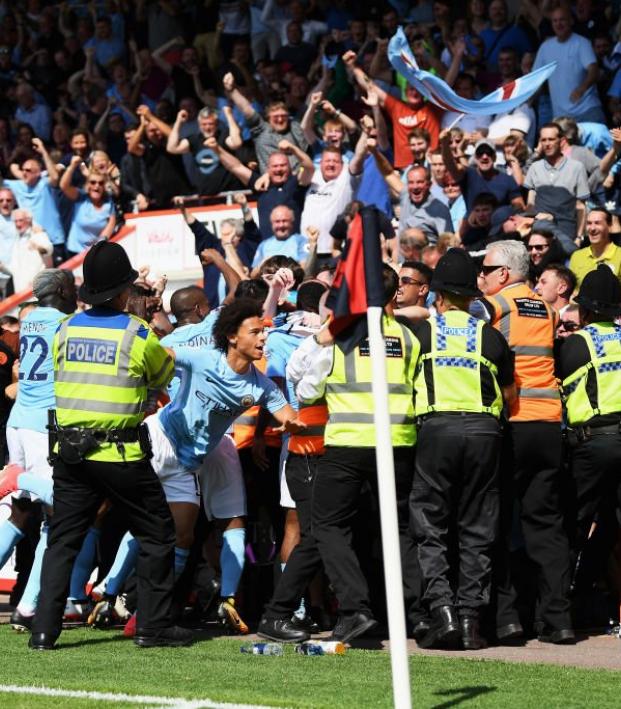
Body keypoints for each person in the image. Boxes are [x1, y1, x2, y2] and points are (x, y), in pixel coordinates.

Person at [28, 241, 192, 650]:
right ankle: (153, 629)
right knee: (156, 535)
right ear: (123, 292)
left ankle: (44, 631)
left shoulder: (65, 330)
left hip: (70, 454)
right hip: (120, 454)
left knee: (62, 541)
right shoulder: (137, 334)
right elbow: (162, 373)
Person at [291, 264, 422, 643]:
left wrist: (320, 341)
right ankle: (419, 610)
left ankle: (356, 609)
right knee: (398, 531)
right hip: (398, 443)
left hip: (349, 443)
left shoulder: (340, 335)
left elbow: (307, 393)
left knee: (329, 526)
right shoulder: (408, 337)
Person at [410, 249, 515, 650]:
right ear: (472, 297)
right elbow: (509, 392)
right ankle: (471, 621)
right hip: (486, 432)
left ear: (436, 295)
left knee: (430, 524)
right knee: (477, 526)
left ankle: (443, 612)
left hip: (437, 430)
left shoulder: (424, 333)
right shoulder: (491, 337)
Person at [480, 240, 574, 644]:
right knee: (546, 524)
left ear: (503, 273)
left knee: (498, 521)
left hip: (513, 420)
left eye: (485, 269)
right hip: (549, 421)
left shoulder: (495, 306)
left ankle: (507, 619)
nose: (480, 277)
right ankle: (558, 620)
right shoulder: (548, 309)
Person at [0, 270, 76, 631]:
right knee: (60, 513)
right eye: (73, 286)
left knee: (21, 512)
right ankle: (29, 606)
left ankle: (28, 606)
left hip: (19, 420)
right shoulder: (67, 325)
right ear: (62, 290)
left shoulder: (30, 321)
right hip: (41, 426)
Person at [559, 265, 621, 599]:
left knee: (575, 525)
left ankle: (563, 605)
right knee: (612, 526)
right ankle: (586, 590)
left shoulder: (577, 343)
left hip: (592, 443)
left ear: (584, 310)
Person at [533, 4, 605, 123]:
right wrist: (526, 101)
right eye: (555, 21)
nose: (558, 24)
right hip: (562, 118)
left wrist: (582, 88)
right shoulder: (545, 47)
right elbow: (536, 80)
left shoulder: (582, 43)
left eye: (562, 20)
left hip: (587, 110)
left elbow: (593, 70)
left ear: (571, 21)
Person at [523, 124, 590, 243]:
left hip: (567, 233)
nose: (547, 143)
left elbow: (581, 206)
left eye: (551, 139)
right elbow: (530, 203)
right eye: (543, 140)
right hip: (541, 234)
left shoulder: (577, 167)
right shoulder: (535, 168)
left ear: (562, 141)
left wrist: (579, 237)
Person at [59, 158, 116, 258]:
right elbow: (64, 186)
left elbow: (110, 225)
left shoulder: (108, 202)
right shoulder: (80, 197)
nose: (97, 186)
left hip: (94, 253)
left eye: (100, 183)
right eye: (93, 182)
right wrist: (72, 166)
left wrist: (97, 246)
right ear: (88, 185)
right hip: (74, 252)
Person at [569, 208, 621, 287]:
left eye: (597, 223)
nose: (592, 228)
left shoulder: (619, 255)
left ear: (609, 226)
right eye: (589, 223)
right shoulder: (577, 256)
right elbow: (570, 289)